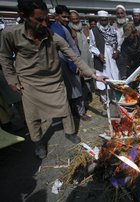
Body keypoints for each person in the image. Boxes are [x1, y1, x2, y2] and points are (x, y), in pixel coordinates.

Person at [0, 0, 106, 159]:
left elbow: (73, 56)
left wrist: (93, 74)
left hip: (54, 81)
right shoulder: (10, 34)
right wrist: (12, 79)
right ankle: (38, 143)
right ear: (23, 16)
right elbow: (5, 57)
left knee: (64, 110)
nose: (44, 24)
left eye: (46, 19)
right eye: (38, 20)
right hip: (29, 84)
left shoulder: (53, 37)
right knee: (32, 117)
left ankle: (70, 133)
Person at [51, 5, 91, 121]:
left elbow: (73, 47)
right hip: (64, 63)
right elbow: (66, 50)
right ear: (56, 16)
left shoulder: (66, 28)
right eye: (64, 17)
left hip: (73, 61)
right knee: (71, 90)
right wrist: (74, 65)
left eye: (67, 17)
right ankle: (74, 113)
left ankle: (80, 112)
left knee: (76, 88)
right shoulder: (55, 29)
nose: (67, 19)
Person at [89, 10, 120, 108]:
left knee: (114, 78)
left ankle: (114, 98)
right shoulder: (93, 31)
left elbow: (118, 44)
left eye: (105, 19)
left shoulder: (113, 30)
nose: (103, 21)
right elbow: (92, 46)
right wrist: (99, 55)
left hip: (112, 58)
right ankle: (105, 99)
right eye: (101, 19)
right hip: (101, 58)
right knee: (103, 79)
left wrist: (117, 51)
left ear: (108, 19)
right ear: (99, 19)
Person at [69, 10, 94, 108]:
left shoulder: (84, 28)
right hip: (79, 59)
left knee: (89, 77)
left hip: (88, 57)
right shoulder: (70, 31)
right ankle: (84, 100)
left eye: (76, 18)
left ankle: (89, 94)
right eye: (73, 19)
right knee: (81, 79)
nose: (75, 21)